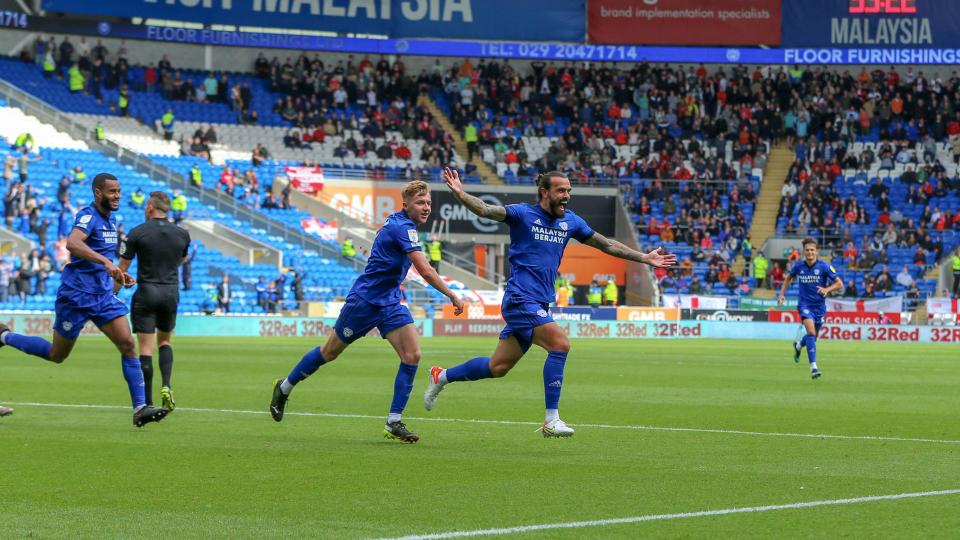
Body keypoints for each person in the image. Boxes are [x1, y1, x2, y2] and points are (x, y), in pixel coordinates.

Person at [423, 169, 675, 437]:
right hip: (520, 299)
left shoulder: (571, 222)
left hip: (539, 303)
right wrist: (461, 194)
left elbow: (607, 245)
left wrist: (644, 258)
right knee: (560, 344)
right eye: (561, 191)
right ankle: (551, 420)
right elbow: (486, 210)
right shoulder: (522, 214)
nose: (567, 196)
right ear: (545, 192)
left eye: (568, 191)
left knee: (497, 367)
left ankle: (441, 375)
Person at [269, 180, 466, 443]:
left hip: (390, 301)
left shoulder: (402, 224)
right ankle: (284, 388)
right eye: (420, 202)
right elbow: (425, 270)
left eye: (429, 202)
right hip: (365, 301)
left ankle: (393, 422)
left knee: (412, 354)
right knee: (330, 352)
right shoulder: (401, 227)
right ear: (405, 204)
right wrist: (451, 294)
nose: (426, 207)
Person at [0, 173, 168, 426]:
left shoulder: (111, 223)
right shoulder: (88, 216)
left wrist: (119, 276)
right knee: (57, 354)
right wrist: (105, 262)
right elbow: (73, 243)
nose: (117, 196)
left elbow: (102, 262)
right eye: (112, 191)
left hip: (102, 296)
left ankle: (140, 408)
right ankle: (4, 336)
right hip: (76, 296)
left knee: (128, 345)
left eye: (119, 191)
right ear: (98, 193)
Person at [117, 192, 191, 411]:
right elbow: (182, 259)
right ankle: (166, 385)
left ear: (150, 207)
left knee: (146, 349)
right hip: (170, 292)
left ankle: (147, 402)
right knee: (165, 342)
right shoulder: (182, 234)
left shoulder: (138, 233)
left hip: (147, 292)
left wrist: (111, 294)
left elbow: (122, 269)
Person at [777, 238, 844, 379]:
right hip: (804, 305)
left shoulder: (825, 267)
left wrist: (827, 289)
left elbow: (839, 284)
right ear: (804, 251)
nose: (810, 252)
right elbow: (788, 278)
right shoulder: (798, 266)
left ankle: (798, 346)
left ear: (816, 251)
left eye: (812, 250)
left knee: (812, 337)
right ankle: (814, 367)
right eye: (807, 250)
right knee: (812, 333)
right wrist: (782, 294)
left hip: (819, 307)